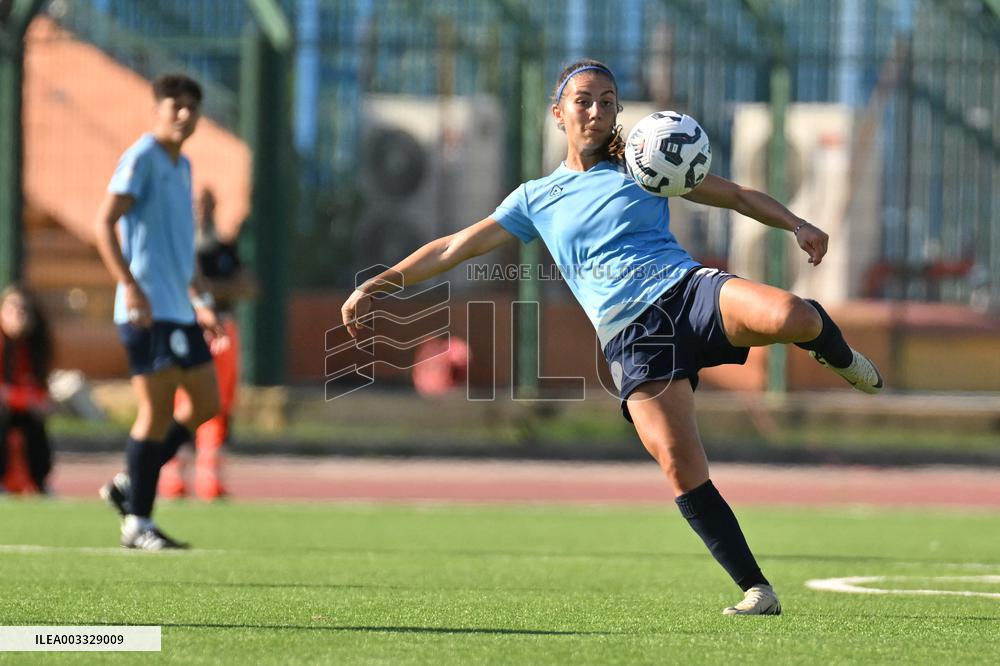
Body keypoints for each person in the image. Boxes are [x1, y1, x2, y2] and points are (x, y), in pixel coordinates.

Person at [341, 59, 883, 615]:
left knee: (794, 314)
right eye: (583, 100)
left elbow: (738, 195)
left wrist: (797, 223)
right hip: (632, 338)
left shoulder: (644, 163)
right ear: (558, 113)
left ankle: (840, 358)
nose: (597, 110)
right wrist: (380, 283)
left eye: (607, 100)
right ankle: (756, 588)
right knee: (679, 461)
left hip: (687, 292)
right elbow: (454, 247)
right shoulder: (535, 198)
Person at [93, 73, 224, 550]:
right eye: (176, 105)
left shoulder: (183, 165)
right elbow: (102, 223)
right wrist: (129, 286)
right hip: (146, 310)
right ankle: (137, 524)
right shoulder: (142, 158)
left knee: (208, 402)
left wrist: (200, 301)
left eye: (193, 106)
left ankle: (133, 481)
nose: (185, 114)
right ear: (158, 109)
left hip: (179, 309)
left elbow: (180, 247)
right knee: (155, 414)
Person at [159, 187, 255, 501]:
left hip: (222, 330)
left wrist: (208, 289)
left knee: (218, 401)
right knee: (185, 398)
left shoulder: (223, 248)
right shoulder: (180, 245)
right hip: (187, 328)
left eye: (208, 204)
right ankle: (173, 472)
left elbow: (248, 285)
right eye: (198, 204)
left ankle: (209, 477)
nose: (203, 210)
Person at [0, 285, 54, 494]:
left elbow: (38, 384)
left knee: (35, 425)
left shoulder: (35, 346)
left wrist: (39, 401)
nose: (19, 315)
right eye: (13, 309)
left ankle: (40, 482)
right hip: (7, 407)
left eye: (24, 309)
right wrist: (26, 399)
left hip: (18, 406)